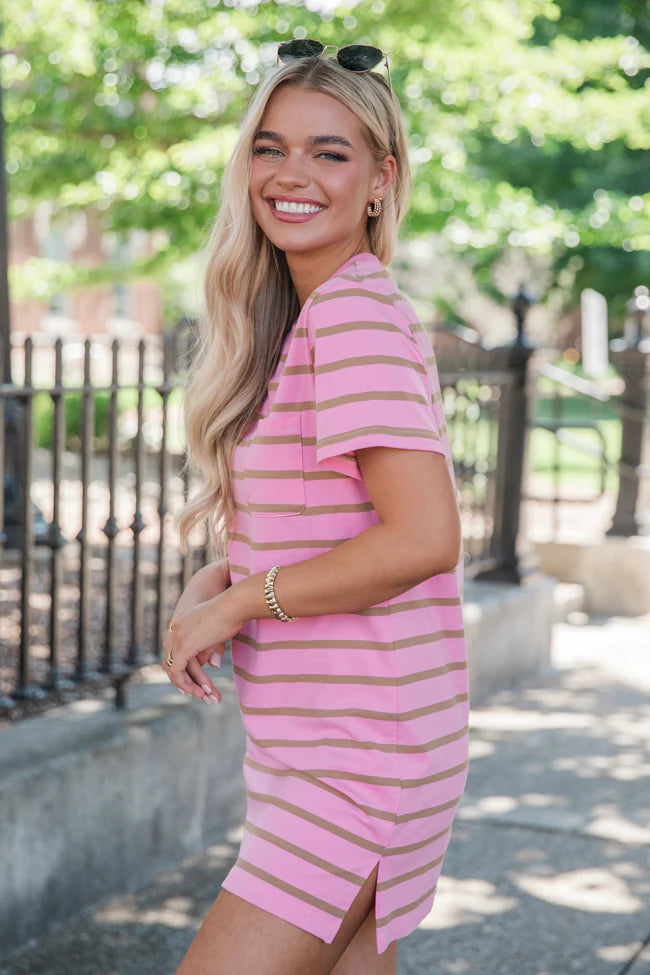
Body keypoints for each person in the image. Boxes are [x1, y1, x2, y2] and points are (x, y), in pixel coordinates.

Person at [162, 41, 469, 975]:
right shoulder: (320, 314)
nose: (291, 174)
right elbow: (324, 518)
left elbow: (425, 537)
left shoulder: (350, 315)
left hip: (356, 760)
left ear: (380, 179)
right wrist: (220, 572)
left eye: (329, 153)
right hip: (339, 747)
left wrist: (234, 606)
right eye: (270, 146)